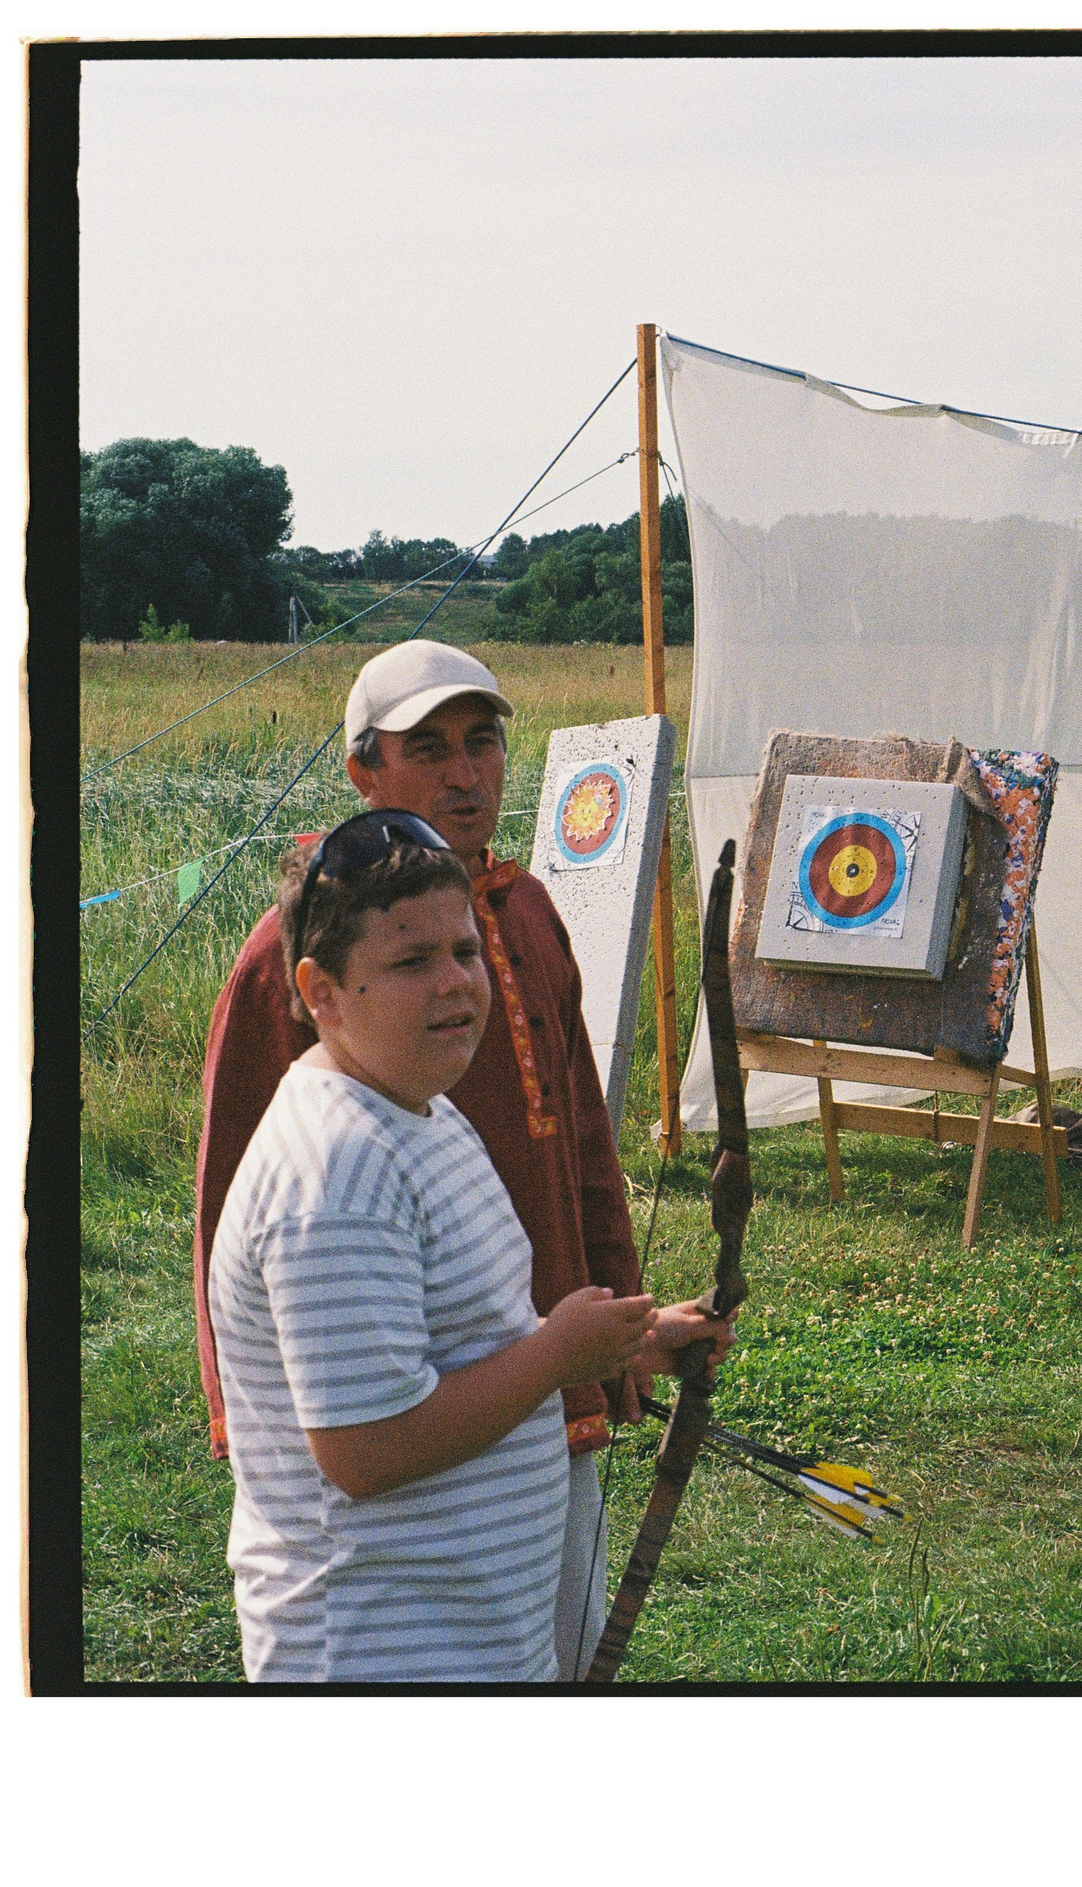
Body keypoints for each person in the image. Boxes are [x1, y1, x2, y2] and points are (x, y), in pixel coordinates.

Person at [193, 639, 730, 1679]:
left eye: (482, 743)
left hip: (509, 1461)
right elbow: (241, 1200)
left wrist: (619, 1330)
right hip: (386, 1624)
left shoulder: (503, 944)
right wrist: (238, 1400)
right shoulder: (326, 1116)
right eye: (428, 747)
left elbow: (577, 1140)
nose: (465, 771)